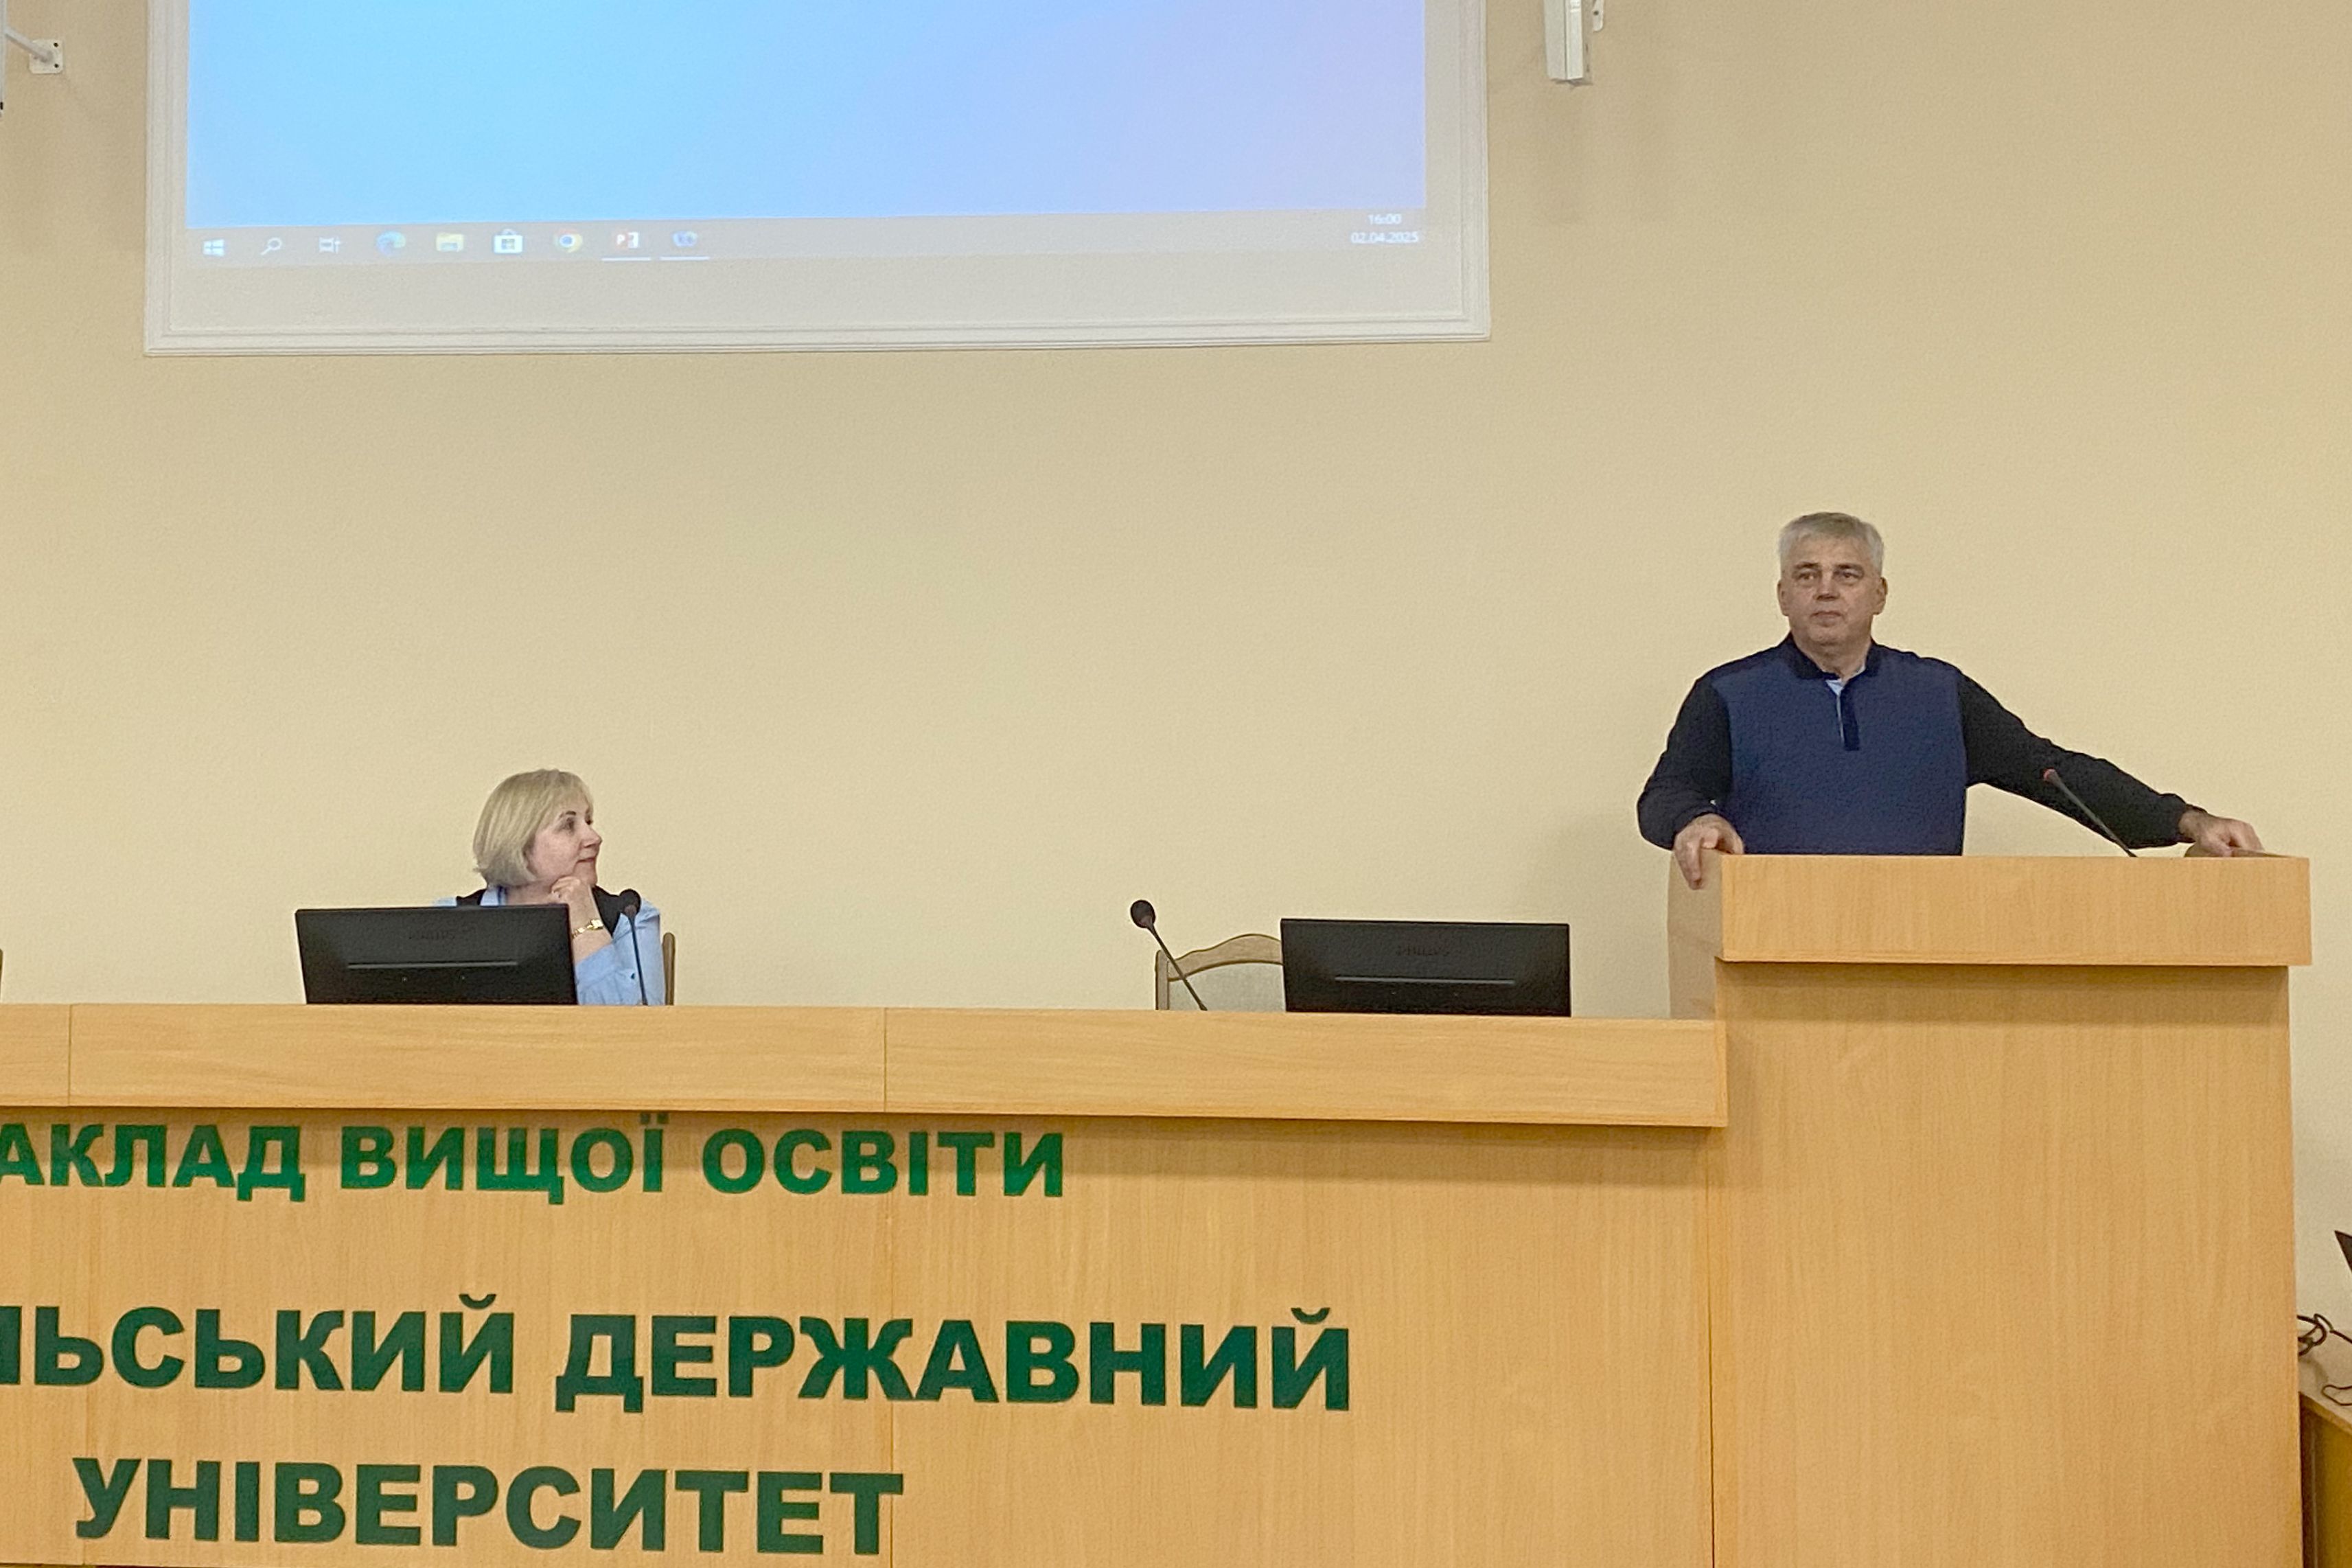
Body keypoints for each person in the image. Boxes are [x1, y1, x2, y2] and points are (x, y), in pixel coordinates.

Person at [1638, 512, 2263, 888]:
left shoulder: (1937, 694)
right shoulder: (1730, 693)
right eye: (1807, 575)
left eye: (1847, 575)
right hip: (1771, 953)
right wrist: (1696, 820)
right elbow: (1664, 796)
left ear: (1879, 594)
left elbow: (2052, 772)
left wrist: (2187, 822)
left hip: (1921, 952)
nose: (1826, 590)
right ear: (1783, 596)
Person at [454, 770, 667, 1005]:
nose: (595, 838)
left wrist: (587, 925)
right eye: (568, 825)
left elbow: (637, 1026)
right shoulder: (451, 919)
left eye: (588, 822)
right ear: (519, 842)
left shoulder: (631, 916)